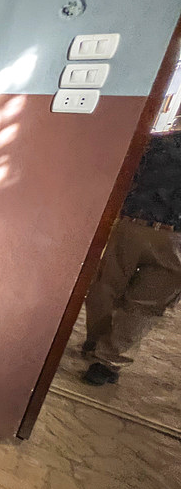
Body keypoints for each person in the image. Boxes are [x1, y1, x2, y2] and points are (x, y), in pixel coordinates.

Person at [81, 127, 181, 385]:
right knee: (146, 305)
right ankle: (107, 362)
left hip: (132, 224)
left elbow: (124, 177)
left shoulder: (153, 143)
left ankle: (95, 341)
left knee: (105, 287)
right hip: (176, 239)